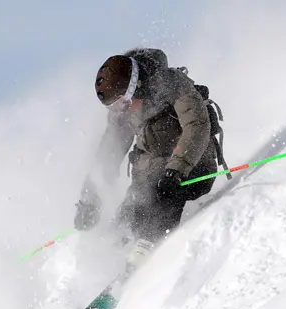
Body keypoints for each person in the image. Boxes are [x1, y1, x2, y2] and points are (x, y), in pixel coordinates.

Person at [74, 47, 227, 267]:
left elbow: (197, 126)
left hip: (192, 167)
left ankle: (146, 256)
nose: (120, 109)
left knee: (160, 202)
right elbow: (109, 152)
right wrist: (90, 197)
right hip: (151, 174)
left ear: (136, 88)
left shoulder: (172, 85)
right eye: (114, 105)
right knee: (126, 217)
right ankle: (105, 267)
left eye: (122, 102)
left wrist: (176, 170)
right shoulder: (124, 109)